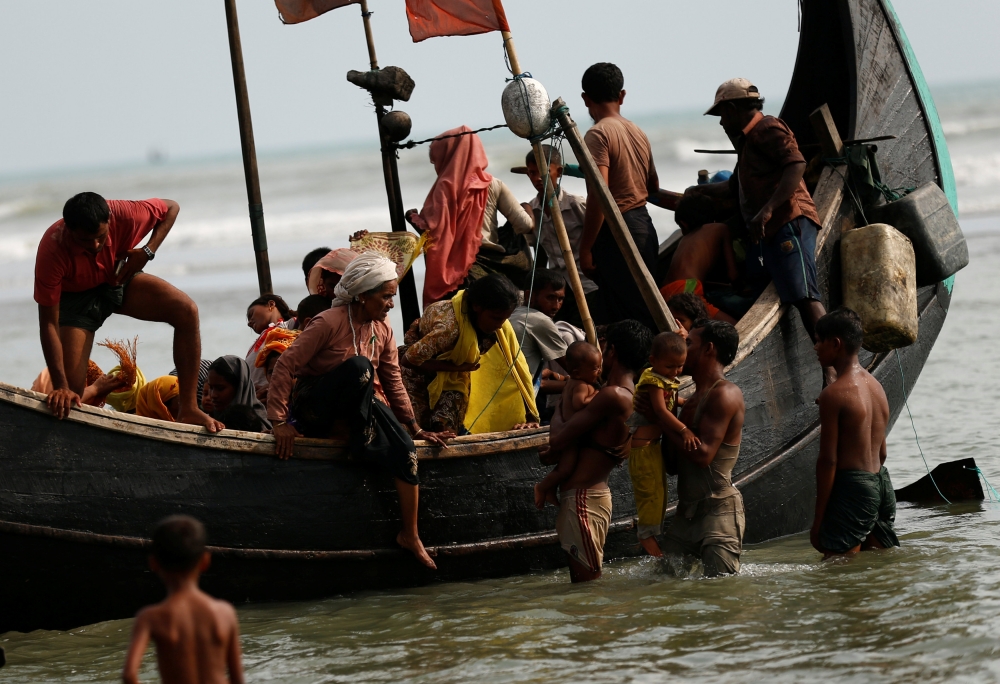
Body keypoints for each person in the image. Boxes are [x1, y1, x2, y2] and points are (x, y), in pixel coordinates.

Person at [268, 253, 452, 568]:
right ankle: (360, 439)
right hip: (316, 406)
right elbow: (286, 364)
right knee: (359, 367)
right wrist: (278, 421)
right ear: (363, 295)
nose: (390, 304)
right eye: (385, 297)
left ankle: (410, 534)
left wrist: (415, 428)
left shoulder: (383, 329)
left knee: (406, 450)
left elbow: (394, 381)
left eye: (392, 297)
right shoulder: (329, 321)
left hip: (360, 407)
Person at [34, 192, 221, 430]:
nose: (95, 246)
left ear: (110, 221)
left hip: (118, 278)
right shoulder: (52, 248)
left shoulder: (126, 214)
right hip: (77, 299)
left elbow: (172, 208)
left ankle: (189, 409)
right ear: (69, 230)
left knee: (187, 310)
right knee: (71, 394)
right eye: (85, 240)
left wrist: (148, 251)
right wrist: (59, 385)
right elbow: (48, 323)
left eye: (101, 237)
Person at [689, 78, 827, 351]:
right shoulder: (749, 142)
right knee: (765, 287)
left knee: (804, 294)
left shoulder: (767, 127)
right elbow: (733, 187)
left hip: (789, 222)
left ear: (732, 110)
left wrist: (767, 210)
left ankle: (833, 365)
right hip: (771, 231)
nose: (721, 123)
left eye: (721, 115)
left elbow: (796, 165)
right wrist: (697, 192)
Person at [542, 319, 654, 582]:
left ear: (611, 352)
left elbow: (559, 439)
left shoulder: (612, 395)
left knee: (587, 588)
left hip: (583, 500)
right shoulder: (625, 393)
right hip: (591, 498)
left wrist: (560, 409)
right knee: (587, 587)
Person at [653, 320, 746, 577]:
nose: (683, 348)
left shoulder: (725, 393)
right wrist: (663, 414)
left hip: (720, 512)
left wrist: (662, 417)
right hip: (686, 513)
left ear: (709, 349)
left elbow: (703, 456)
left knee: (720, 594)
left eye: (690, 342)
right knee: (662, 588)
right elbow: (672, 466)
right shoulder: (691, 400)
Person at [577, 63, 666, 330]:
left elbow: (600, 195)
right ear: (622, 96)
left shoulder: (598, 134)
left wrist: (585, 247)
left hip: (619, 234)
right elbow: (653, 185)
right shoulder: (637, 131)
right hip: (645, 228)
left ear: (585, 99)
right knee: (645, 308)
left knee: (627, 318)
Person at [405, 126, 534, 306]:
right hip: (494, 266)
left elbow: (433, 233)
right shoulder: (494, 184)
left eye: (437, 161)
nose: (437, 166)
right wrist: (527, 209)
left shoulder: (442, 190)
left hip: (454, 274)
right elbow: (524, 225)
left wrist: (413, 217)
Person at [401, 273, 538, 435]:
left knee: (447, 427)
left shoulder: (497, 324)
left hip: (454, 375)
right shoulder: (449, 329)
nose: (501, 326)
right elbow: (408, 360)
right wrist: (458, 367)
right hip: (417, 371)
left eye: (504, 319)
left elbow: (516, 367)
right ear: (476, 307)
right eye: (496, 319)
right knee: (417, 429)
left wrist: (530, 416)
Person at [811, 308, 899, 557]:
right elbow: (882, 452)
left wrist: (818, 520)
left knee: (839, 578)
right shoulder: (876, 386)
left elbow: (828, 461)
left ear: (836, 343)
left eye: (819, 340)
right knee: (875, 570)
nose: (815, 347)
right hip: (881, 484)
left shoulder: (834, 394)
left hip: (854, 488)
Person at [122, 515, 244, 684]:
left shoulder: (150, 617)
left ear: (153, 564)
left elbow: (129, 675)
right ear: (205, 560)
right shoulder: (225, 612)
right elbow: (238, 679)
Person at [627, 332, 701, 556]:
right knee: (650, 496)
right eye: (670, 366)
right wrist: (684, 429)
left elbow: (670, 399)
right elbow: (659, 409)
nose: (675, 372)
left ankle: (653, 541)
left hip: (652, 446)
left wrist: (685, 402)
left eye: (680, 366)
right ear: (653, 361)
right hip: (643, 448)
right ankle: (647, 539)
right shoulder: (653, 380)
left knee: (659, 495)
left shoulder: (663, 378)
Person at [523, 145, 601, 327]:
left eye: (542, 172)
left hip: (587, 283)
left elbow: (601, 237)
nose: (537, 178)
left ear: (558, 171)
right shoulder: (534, 211)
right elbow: (540, 253)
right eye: (532, 173)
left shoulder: (575, 204)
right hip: (559, 290)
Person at [533, 341, 602, 510]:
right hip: (570, 437)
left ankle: (551, 489)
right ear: (577, 372)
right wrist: (600, 396)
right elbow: (579, 404)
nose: (599, 371)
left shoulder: (575, 382)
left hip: (569, 434)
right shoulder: (580, 385)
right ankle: (542, 487)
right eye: (594, 369)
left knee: (565, 466)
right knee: (565, 469)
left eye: (599, 367)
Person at [660, 196, 738, 324]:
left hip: (664, 292)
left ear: (684, 224)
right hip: (686, 290)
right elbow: (733, 275)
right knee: (736, 327)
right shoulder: (721, 228)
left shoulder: (684, 240)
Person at [508, 269, 571, 383]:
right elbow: (575, 369)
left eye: (560, 299)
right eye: (550, 298)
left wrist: (557, 376)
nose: (556, 306)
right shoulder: (539, 320)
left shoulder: (514, 313)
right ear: (529, 295)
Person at [202, 356, 271, 432]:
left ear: (239, 387)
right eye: (211, 388)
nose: (213, 395)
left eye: (220, 388)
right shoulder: (209, 421)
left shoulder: (261, 425)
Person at [245, 294, 295, 396]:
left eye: (251, 314)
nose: (249, 323)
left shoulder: (288, 326)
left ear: (271, 304)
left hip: (272, 395)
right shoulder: (260, 339)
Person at [253, 327, 301, 403]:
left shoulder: (313, 400)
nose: (276, 377)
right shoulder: (264, 402)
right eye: (271, 372)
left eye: (283, 371)